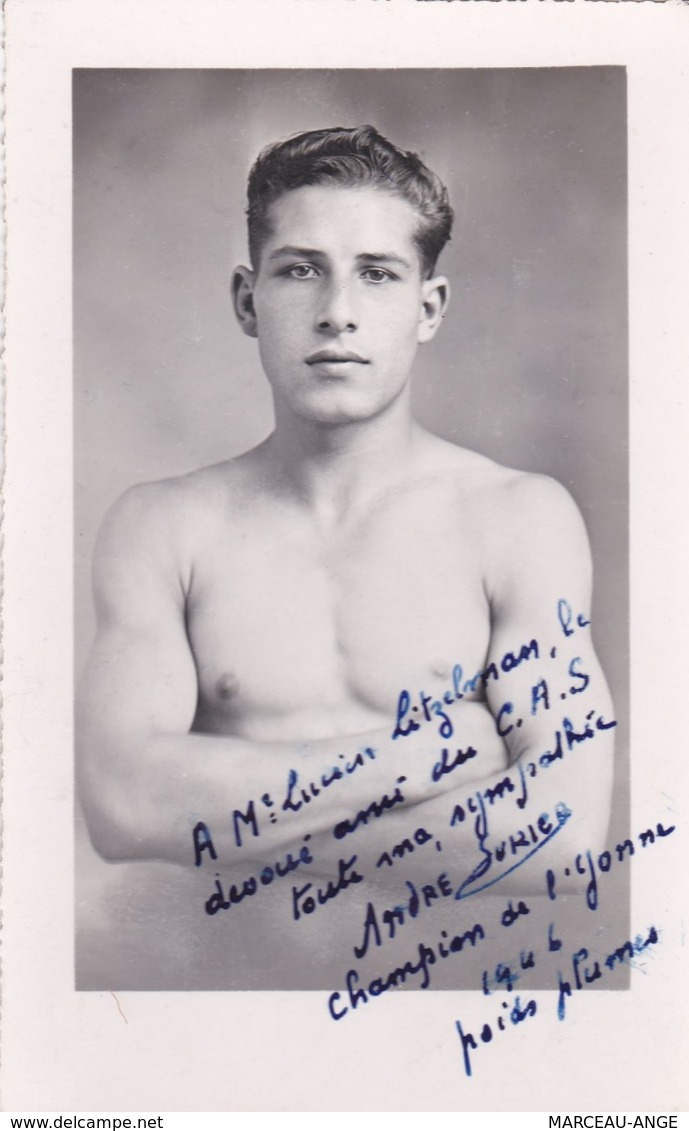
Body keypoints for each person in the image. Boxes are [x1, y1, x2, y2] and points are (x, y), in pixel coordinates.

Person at [76, 125, 615, 991]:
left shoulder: (518, 518)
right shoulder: (161, 526)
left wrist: (218, 812)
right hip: (214, 1034)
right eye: (299, 269)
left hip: (449, 1038)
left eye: (376, 273)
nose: (337, 311)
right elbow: (122, 806)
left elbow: (561, 835)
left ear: (427, 307)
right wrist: (430, 753)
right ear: (247, 301)